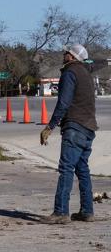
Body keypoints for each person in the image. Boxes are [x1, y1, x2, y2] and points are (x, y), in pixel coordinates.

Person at [39, 44, 98, 224]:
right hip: (89, 129)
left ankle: (61, 212)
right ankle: (87, 211)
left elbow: (63, 103)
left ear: (72, 57)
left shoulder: (69, 73)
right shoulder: (86, 74)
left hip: (75, 128)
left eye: (66, 52)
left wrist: (50, 126)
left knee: (66, 169)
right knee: (82, 170)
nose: (63, 54)